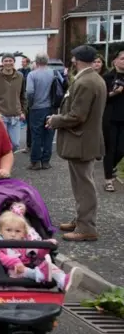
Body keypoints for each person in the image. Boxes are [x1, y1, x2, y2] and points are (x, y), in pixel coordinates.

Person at [46, 45, 106, 242]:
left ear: (78, 59)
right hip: (85, 140)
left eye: (73, 58)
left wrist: (56, 120)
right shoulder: (92, 78)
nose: (71, 61)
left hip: (82, 141)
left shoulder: (87, 82)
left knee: (84, 186)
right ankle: (81, 220)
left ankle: (86, 227)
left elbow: (78, 115)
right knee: (81, 183)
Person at [0, 210, 82, 291]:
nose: (13, 234)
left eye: (17, 231)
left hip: (31, 266)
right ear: (1, 231)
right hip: (12, 270)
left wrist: (46, 245)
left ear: (23, 234)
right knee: (18, 270)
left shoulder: (25, 242)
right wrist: (15, 263)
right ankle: (40, 274)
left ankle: (63, 280)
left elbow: (37, 252)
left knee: (50, 267)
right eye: (8, 230)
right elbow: (1, 258)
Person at [0, 53, 27, 152]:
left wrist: (23, 111)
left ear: (14, 62)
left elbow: (23, 95)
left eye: (10, 60)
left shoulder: (20, 76)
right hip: (1, 116)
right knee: (1, 142)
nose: (8, 63)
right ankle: (3, 163)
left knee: (15, 143)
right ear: (2, 62)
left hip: (15, 115)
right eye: (6, 61)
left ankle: (7, 158)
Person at [25, 53, 56, 170]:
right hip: (51, 107)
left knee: (36, 135)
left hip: (37, 108)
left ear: (36, 62)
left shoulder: (32, 75)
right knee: (49, 134)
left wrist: (30, 104)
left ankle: (35, 161)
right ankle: (46, 161)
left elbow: (29, 91)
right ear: (47, 61)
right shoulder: (53, 73)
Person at [101, 49, 124, 193]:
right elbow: (102, 99)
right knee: (111, 149)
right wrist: (114, 93)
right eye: (122, 58)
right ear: (114, 60)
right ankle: (108, 180)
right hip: (110, 118)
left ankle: (112, 167)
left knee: (121, 149)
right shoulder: (107, 77)